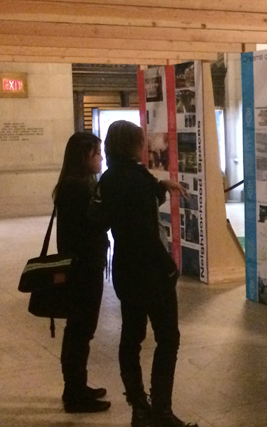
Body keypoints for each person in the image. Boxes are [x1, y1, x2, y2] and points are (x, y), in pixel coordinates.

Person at [99, 120, 197, 427]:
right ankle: (162, 411)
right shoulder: (138, 180)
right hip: (152, 272)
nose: (145, 145)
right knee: (168, 339)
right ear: (133, 144)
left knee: (131, 338)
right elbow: (146, 230)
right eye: (141, 140)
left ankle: (139, 407)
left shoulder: (109, 178)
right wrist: (169, 269)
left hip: (125, 270)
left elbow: (101, 217)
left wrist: (160, 186)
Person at [53, 132, 111, 413]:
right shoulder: (76, 188)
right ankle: (74, 394)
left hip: (83, 265)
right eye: (96, 153)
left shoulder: (74, 184)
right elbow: (92, 225)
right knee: (80, 330)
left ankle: (77, 386)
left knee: (80, 330)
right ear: (83, 156)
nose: (101, 158)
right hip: (83, 267)